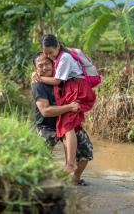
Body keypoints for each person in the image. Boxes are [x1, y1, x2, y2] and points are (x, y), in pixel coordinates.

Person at [32, 34, 96, 173]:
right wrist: (69, 107)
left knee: (86, 149)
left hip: (65, 120)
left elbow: (58, 81)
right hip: (47, 125)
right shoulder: (38, 85)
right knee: (37, 156)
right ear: (36, 69)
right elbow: (46, 111)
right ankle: (41, 181)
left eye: (47, 63)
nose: (44, 68)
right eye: (40, 66)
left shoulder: (63, 75)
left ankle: (75, 179)